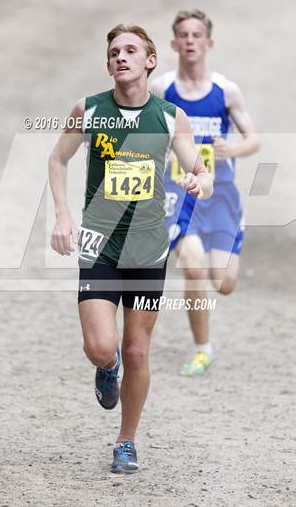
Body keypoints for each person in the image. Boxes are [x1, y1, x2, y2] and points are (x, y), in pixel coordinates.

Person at [48, 24, 213, 474]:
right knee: (103, 347)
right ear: (108, 65)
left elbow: (200, 168)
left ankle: (126, 441)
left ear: (150, 61)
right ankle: (106, 367)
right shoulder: (90, 109)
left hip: (147, 249)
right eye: (115, 52)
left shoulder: (168, 116)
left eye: (131, 50)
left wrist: (200, 179)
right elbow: (57, 159)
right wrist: (64, 215)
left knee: (138, 351)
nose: (121, 56)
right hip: (100, 245)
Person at [150, 10, 260, 377]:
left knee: (224, 282)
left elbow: (253, 138)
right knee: (193, 268)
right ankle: (202, 349)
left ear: (208, 43)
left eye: (197, 35)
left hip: (221, 197)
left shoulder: (225, 91)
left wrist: (234, 150)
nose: (191, 40)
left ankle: (204, 341)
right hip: (179, 196)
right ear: (174, 43)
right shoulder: (161, 90)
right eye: (184, 34)